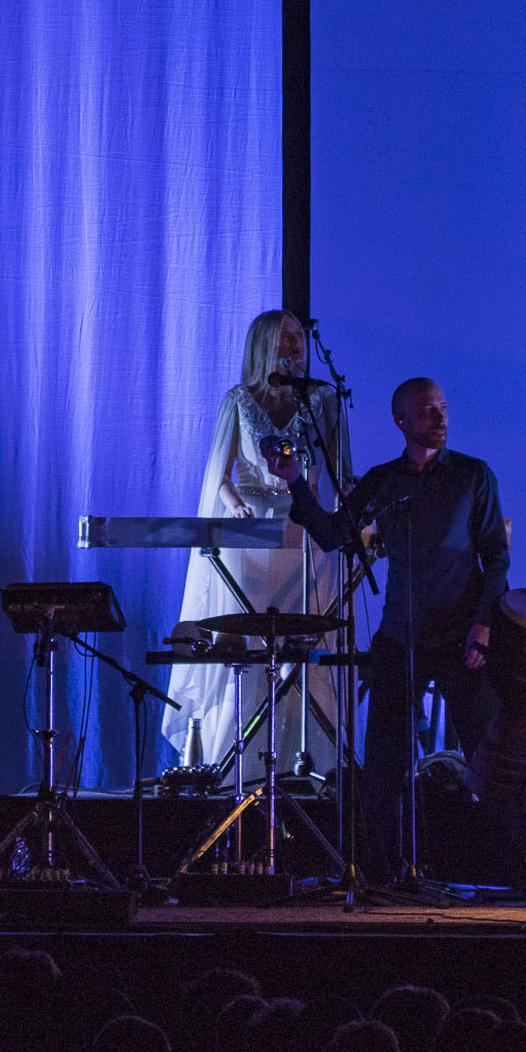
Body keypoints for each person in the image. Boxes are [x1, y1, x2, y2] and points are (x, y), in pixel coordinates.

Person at [270, 377, 510, 882]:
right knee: (384, 764)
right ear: (402, 421)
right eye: (428, 411)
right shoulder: (384, 481)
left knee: (489, 755)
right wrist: (295, 481)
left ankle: (512, 865)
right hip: (400, 635)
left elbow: (496, 557)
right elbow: (335, 535)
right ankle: (383, 873)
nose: (440, 418)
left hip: (461, 634)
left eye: (443, 408)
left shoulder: (472, 476)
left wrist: (484, 627)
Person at [163, 310, 340, 776]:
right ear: (263, 344)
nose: (295, 343)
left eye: (299, 335)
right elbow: (220, 475)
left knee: (303, 651)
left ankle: (311, 763)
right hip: (251, 534)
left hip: (305, 529)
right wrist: (236, 505)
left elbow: (334, 470)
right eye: (285, 336)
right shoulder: (238, 400)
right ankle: (239, 768)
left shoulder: (322, 399)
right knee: (248, 644)